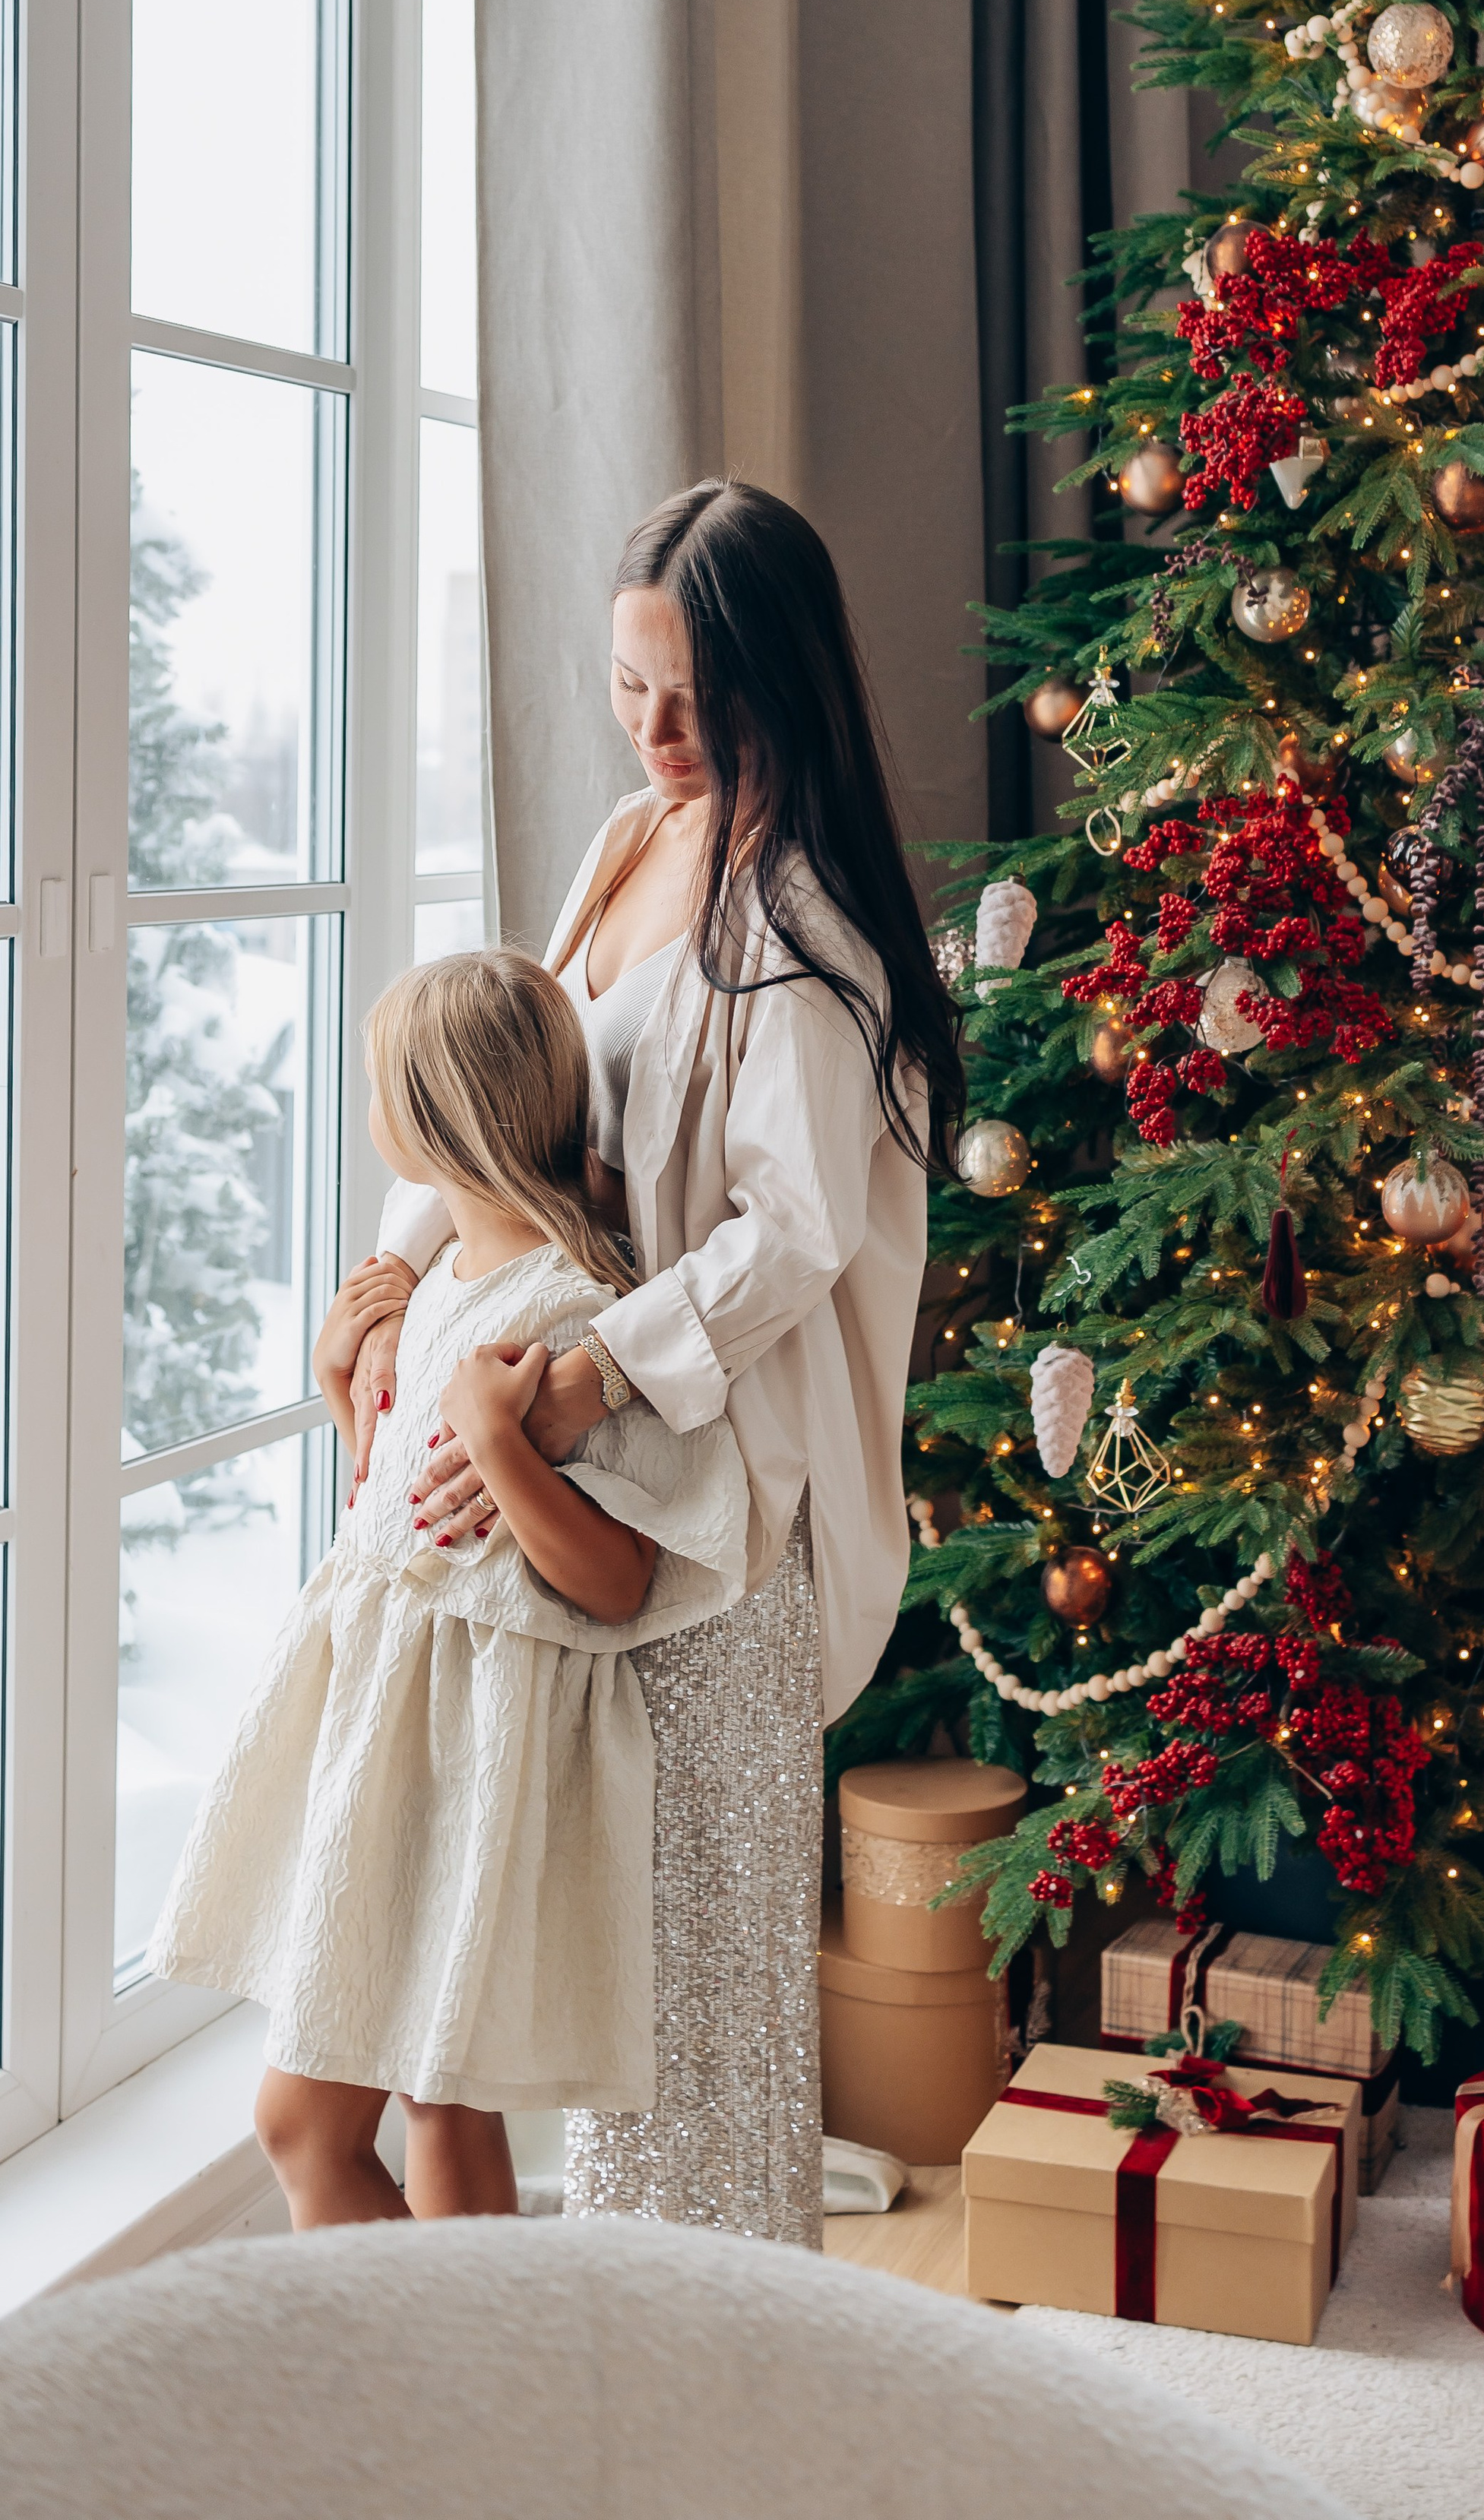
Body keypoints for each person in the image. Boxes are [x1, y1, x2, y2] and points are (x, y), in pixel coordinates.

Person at [349, 480, 961, 2246]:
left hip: (721, 1515)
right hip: (591, 1490)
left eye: (696, 694)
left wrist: (584, 1381)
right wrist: (384, 1280)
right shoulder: (627, 846)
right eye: (630, 687)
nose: (659, 730)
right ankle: (618, 2374)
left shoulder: (808, 933)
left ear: (786, 682)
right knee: (620, 1993)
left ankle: (724, 2391)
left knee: (701, 2030)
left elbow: (793, 1239)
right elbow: (508, 1096)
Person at [150, 951, 750, 2230]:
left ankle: (450, 2393)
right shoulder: (434, 1296)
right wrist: (344, 1392)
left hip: (477, 1746)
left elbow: (612, 1584)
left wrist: (497, 1440)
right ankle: (439, 2393)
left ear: (431, 1124)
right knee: (359, 2113)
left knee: (423, 2102)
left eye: (381, 1097)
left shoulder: (572, 1313)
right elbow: (405, 1518)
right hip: (388, 1727)